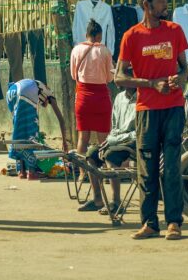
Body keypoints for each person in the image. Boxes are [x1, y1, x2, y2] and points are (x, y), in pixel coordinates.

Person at [115, 0, 188, 241]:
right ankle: (149, 223)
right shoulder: (131, 36)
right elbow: (119, 77)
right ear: (146, 5)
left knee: (171, 167)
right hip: (146, 111)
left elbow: (185, 68)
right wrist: (151, 83)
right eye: (160, 1)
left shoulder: (175, 31)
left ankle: (174, 223)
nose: (165, 5)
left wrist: (179, 80)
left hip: (173, 109)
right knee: (146, 168)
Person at [70, 18, 113, 210]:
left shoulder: (76, 49)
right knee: (104, 140)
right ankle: (106, 172)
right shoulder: (103, 50)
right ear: (98, 35)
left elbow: (73, 74)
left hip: (83, 96)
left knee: (83, 136)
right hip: (101, 96)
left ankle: (83, 172)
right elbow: (109, 76)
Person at [85, 87, 137, 219]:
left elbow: (139, 132)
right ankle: (97, 199)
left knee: (111, 155)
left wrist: (114, 140)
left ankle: (116, 201)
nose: (117, 81)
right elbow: (114, 126)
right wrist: (111, 139)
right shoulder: (119, 97)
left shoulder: (142, 97)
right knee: (92, 154)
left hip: (133, 141)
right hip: (116, 139)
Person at [7, 78, 69, 179]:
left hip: (11, 92)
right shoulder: (49, 93)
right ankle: (31, 172)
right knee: (31, 133)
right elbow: (61, 120)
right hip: (24, 90)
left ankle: (22, 171)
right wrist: (64, 143)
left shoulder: (36, 87)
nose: (45, 105)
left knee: (20, 131)